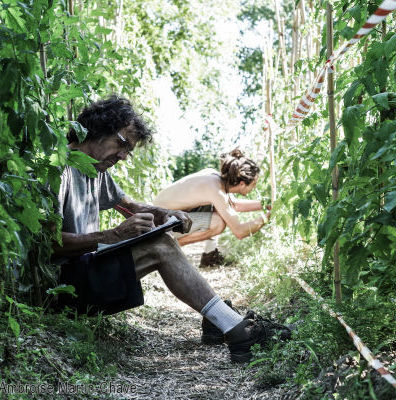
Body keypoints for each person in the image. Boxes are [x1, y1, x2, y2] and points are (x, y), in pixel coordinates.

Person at [53, 95, 290, 363]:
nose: (123, 156)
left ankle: (221, 320)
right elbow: (47, 245)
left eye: (127, 150)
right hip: (62, 288)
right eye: (122, 144)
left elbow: (129, 205)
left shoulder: (96, 170)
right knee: (161, 246)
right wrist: (113, 235)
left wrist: (166, 214)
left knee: (163, 239)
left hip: (85, 273)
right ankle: (235, 329)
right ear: (97, 129)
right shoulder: (58, 169)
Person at [153, 149, 270, 267]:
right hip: (159, 225)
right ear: (242, 184)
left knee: (217, 209)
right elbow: (239, 232)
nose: (254, 188)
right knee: (218, 222)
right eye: (254, 184)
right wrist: (266, 218)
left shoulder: (214, 177)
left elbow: (233, 205)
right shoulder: (216, 190)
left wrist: (266, 204)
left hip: (160, 216)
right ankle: (164, 249)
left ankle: (209, 255)